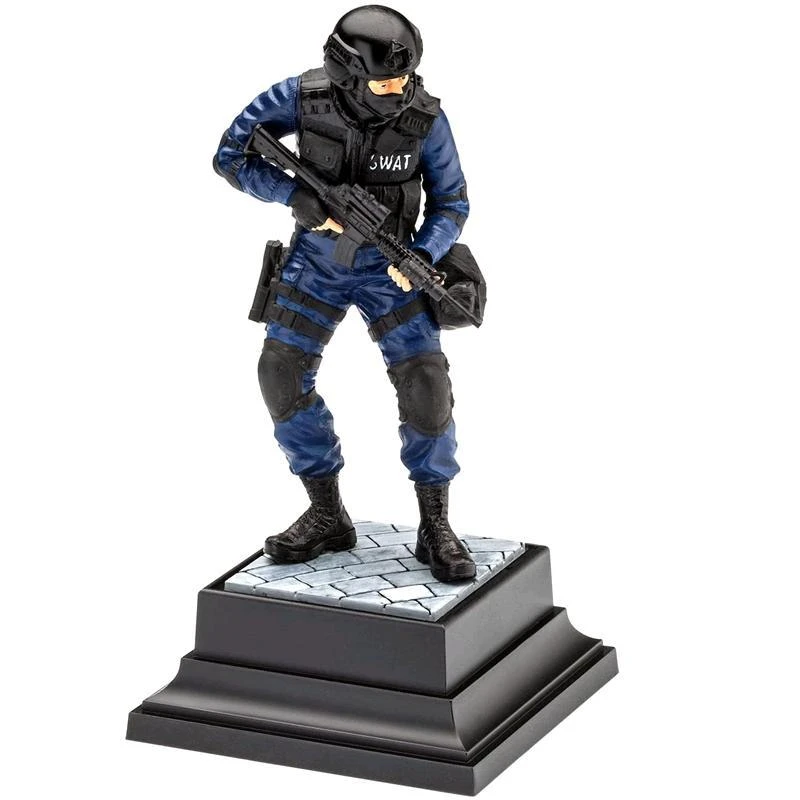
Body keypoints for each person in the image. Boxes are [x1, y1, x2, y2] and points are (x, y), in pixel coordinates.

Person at [213, 5, 475, 582]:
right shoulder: (300, 98)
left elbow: (452, 202)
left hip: (391, 269)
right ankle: (326, 513)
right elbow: (230, 155)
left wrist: (424, 254)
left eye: (406, 78)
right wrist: (294, 196)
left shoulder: (425, 118)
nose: (399, 90)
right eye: (385, 81)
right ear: (349, 74)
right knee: (280, 372)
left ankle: (435, 523)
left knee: (427, 384)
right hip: (317, 264)